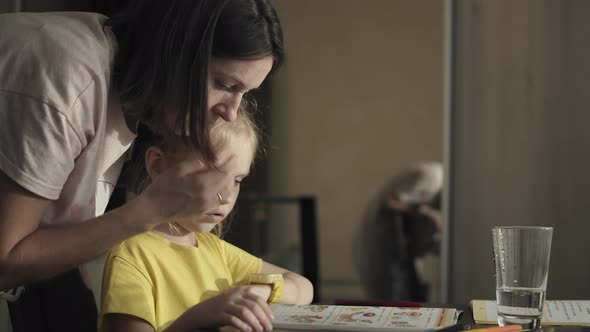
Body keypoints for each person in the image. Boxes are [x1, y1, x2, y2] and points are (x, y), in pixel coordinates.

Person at [0, 1, 283, 330]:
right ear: (177, 54)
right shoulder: (69, 79)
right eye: (225, 85)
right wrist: (152, 210)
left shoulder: (130, 103)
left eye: (245, 94)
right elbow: (5, 260)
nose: (231, 112)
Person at [99, 109, 313, 332]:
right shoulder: (132, 253)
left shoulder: (216, 251)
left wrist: (259, 291)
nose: (227, 196)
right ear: (157, 165)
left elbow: (303, 287)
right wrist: (197, 318)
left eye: (237, 180)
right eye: (214, 177)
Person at [357, 162, 443, 302]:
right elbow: (391, 201)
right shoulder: (432, 177)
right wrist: (428, 212)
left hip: (402, 252)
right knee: (387, 305)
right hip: (383, 249)